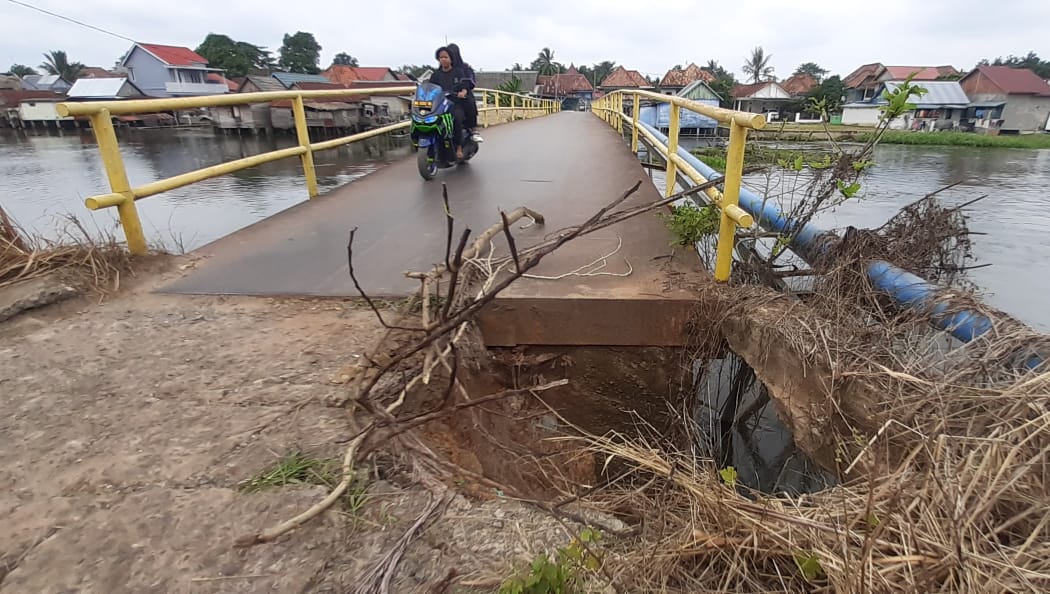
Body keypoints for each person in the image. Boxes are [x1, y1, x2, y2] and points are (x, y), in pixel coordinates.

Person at [429, 46, 474, 160]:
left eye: (445, 57)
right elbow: (430, 88)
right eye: (441, 57)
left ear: (451, 58)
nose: (443, 59)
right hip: (439, 104)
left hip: (455, 103)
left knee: (456, 119)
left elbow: (465, 85)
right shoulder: (436, 75)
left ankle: (458, 147)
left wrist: (463, 92)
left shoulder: (459, 72)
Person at [445, 43, 483, 144]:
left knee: (468, 100)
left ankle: (474, 129)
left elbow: (470, 80)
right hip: (445, 98)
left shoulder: (464, 68)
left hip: (460, 96)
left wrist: (464, 90)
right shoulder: (441, 70)